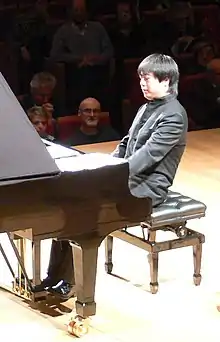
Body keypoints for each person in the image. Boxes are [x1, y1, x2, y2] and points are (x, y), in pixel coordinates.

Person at [33, 53, 188, 299]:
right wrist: (105, 165)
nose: (142, 83)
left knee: (83, 210)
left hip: (147, 189)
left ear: (166, 80)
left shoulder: (173, 115)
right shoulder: (147, 107)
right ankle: (54, 277)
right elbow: (126, 144)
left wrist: (107, 176)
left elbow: (146, 157)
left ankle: (71, 284)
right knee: (68, 201)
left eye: (147, 78)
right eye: (140, 78)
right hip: (126, 179)